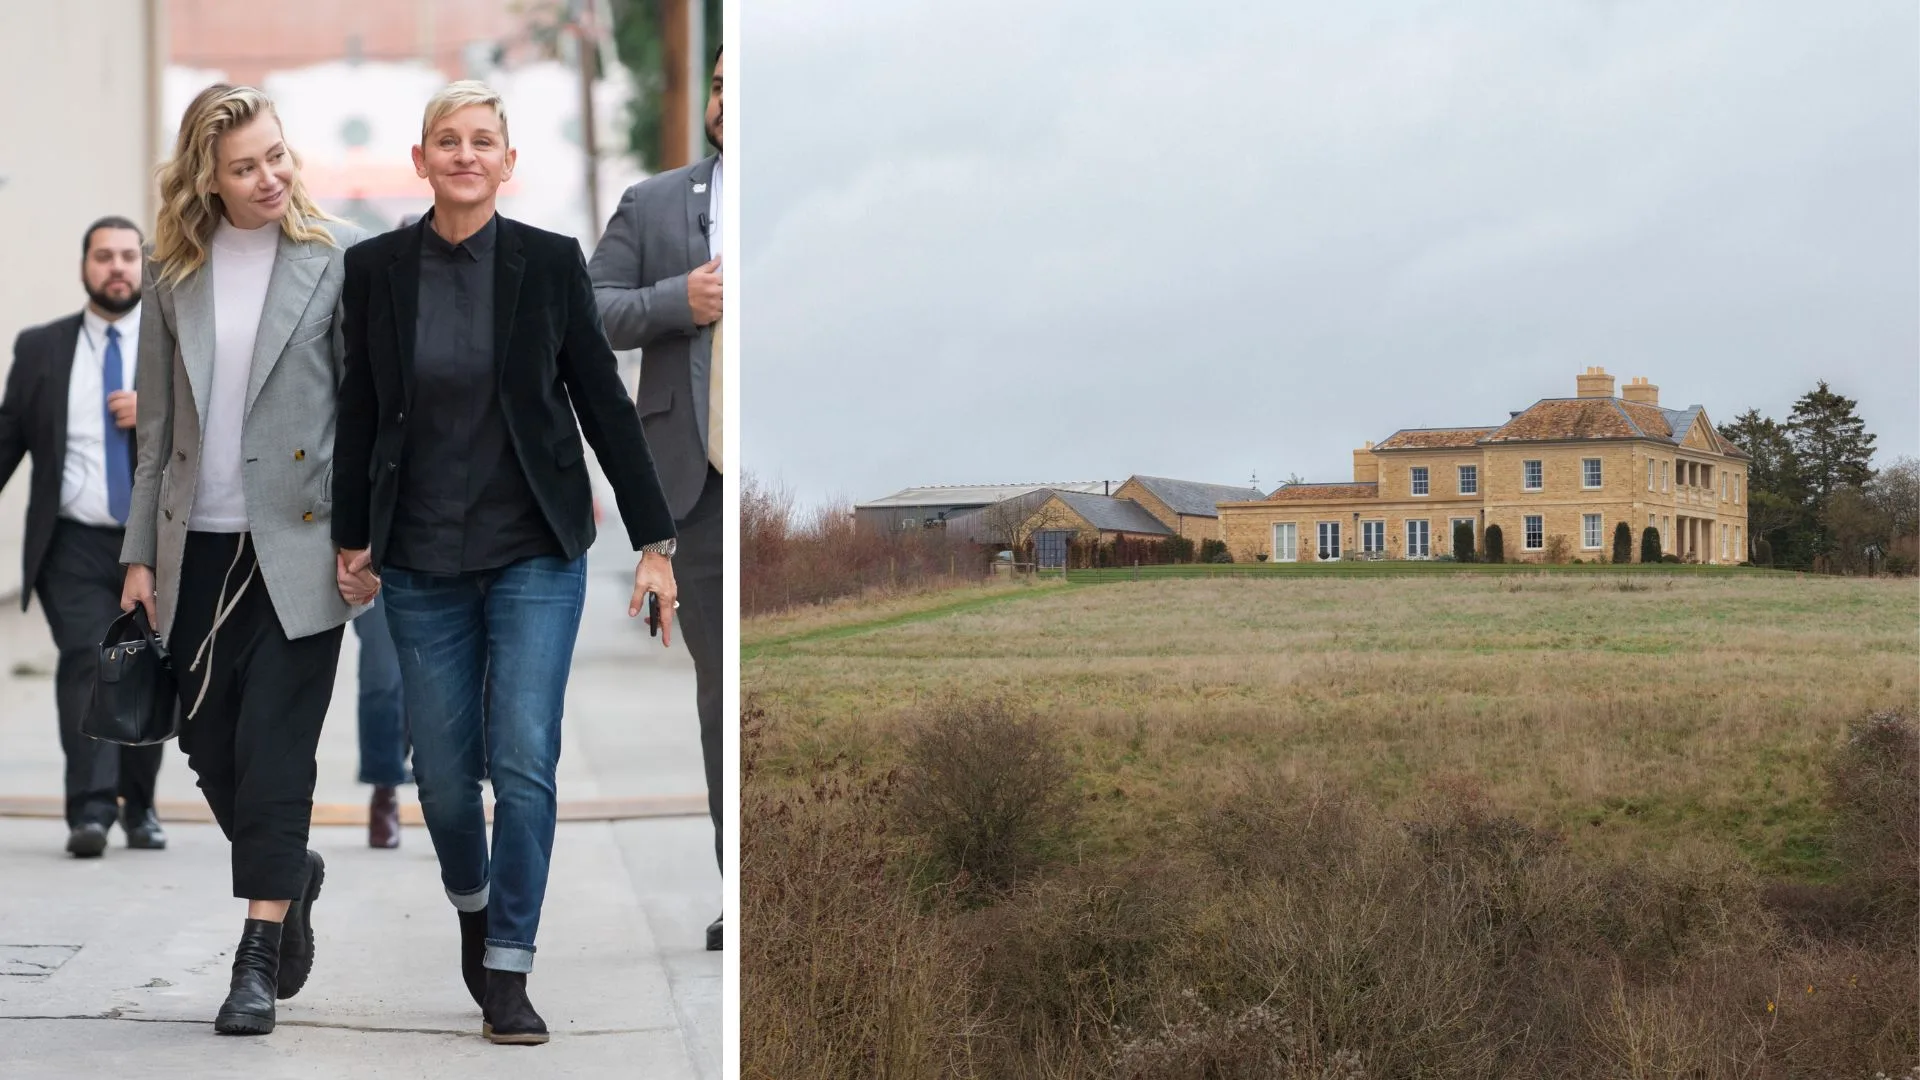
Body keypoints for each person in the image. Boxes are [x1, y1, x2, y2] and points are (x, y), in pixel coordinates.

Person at [333, 81, 678, 1046]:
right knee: (443, 780)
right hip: (419, 561)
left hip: (534, 551)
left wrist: (655, 542)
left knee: (524, 761)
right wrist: (352, 538)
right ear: (421, 161)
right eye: (448, 140)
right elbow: (360, 409)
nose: (466, 154)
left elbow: (604, 405)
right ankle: (473, 904)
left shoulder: (549, 264)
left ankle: (511, 968)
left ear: (508, 162)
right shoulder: (377, 270)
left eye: (484, 140)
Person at [120, 83, 368, 1036]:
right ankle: (291, 872)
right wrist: (139, 555)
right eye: (244, 167)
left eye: (276, 156)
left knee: (275, 754)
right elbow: (157, 435)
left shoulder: (336, 259)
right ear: (207, 179)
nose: (269, 177)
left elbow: (364, 411)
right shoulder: (170, 274)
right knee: (207, 744)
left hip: (300, 548)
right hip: (198, 545)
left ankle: (256, 955)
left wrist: (364, 537)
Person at [588, 44, 725, 951]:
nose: (724, 98)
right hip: (697, 480)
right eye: (718, 82)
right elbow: (590, 306)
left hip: (787, 482)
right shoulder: (657, 202)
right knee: (723, 689)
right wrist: (681, 298)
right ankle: (740, 887)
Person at [0, 216, 167, 858]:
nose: (117, 267)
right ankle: (91, 811)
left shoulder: (169, 343)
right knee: (85, 663)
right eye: (104, 256)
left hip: (150, 542)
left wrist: (150, 408)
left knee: (148, 667)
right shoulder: (41, 348)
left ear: (144, 267)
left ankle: (143, 807)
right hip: (70, 543)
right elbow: (9, 436)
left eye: (129, 255)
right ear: (84, 267)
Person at [354, 593, 409, 848]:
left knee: (442, 678)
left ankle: (453, 804)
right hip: (377, 563)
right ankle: (383, 789)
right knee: (381, 677)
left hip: (446, 558)